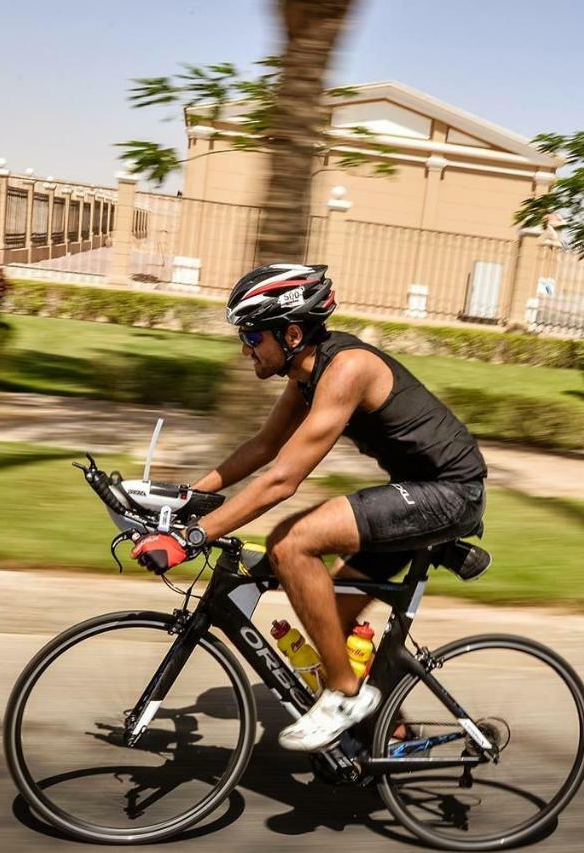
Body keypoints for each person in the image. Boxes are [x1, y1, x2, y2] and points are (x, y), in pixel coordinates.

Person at [131, 263, 487, 751]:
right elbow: (263, 447)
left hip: (450, 493)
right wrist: (190, 500)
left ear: (292, 332)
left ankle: (343, 697)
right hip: (418, 491)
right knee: (332, 620)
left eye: (253, 335)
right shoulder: (306, 374)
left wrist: (191, 538)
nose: (244, 347)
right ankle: (389, 733)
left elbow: (282, 481)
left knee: (291, 543)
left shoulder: (347, 370)